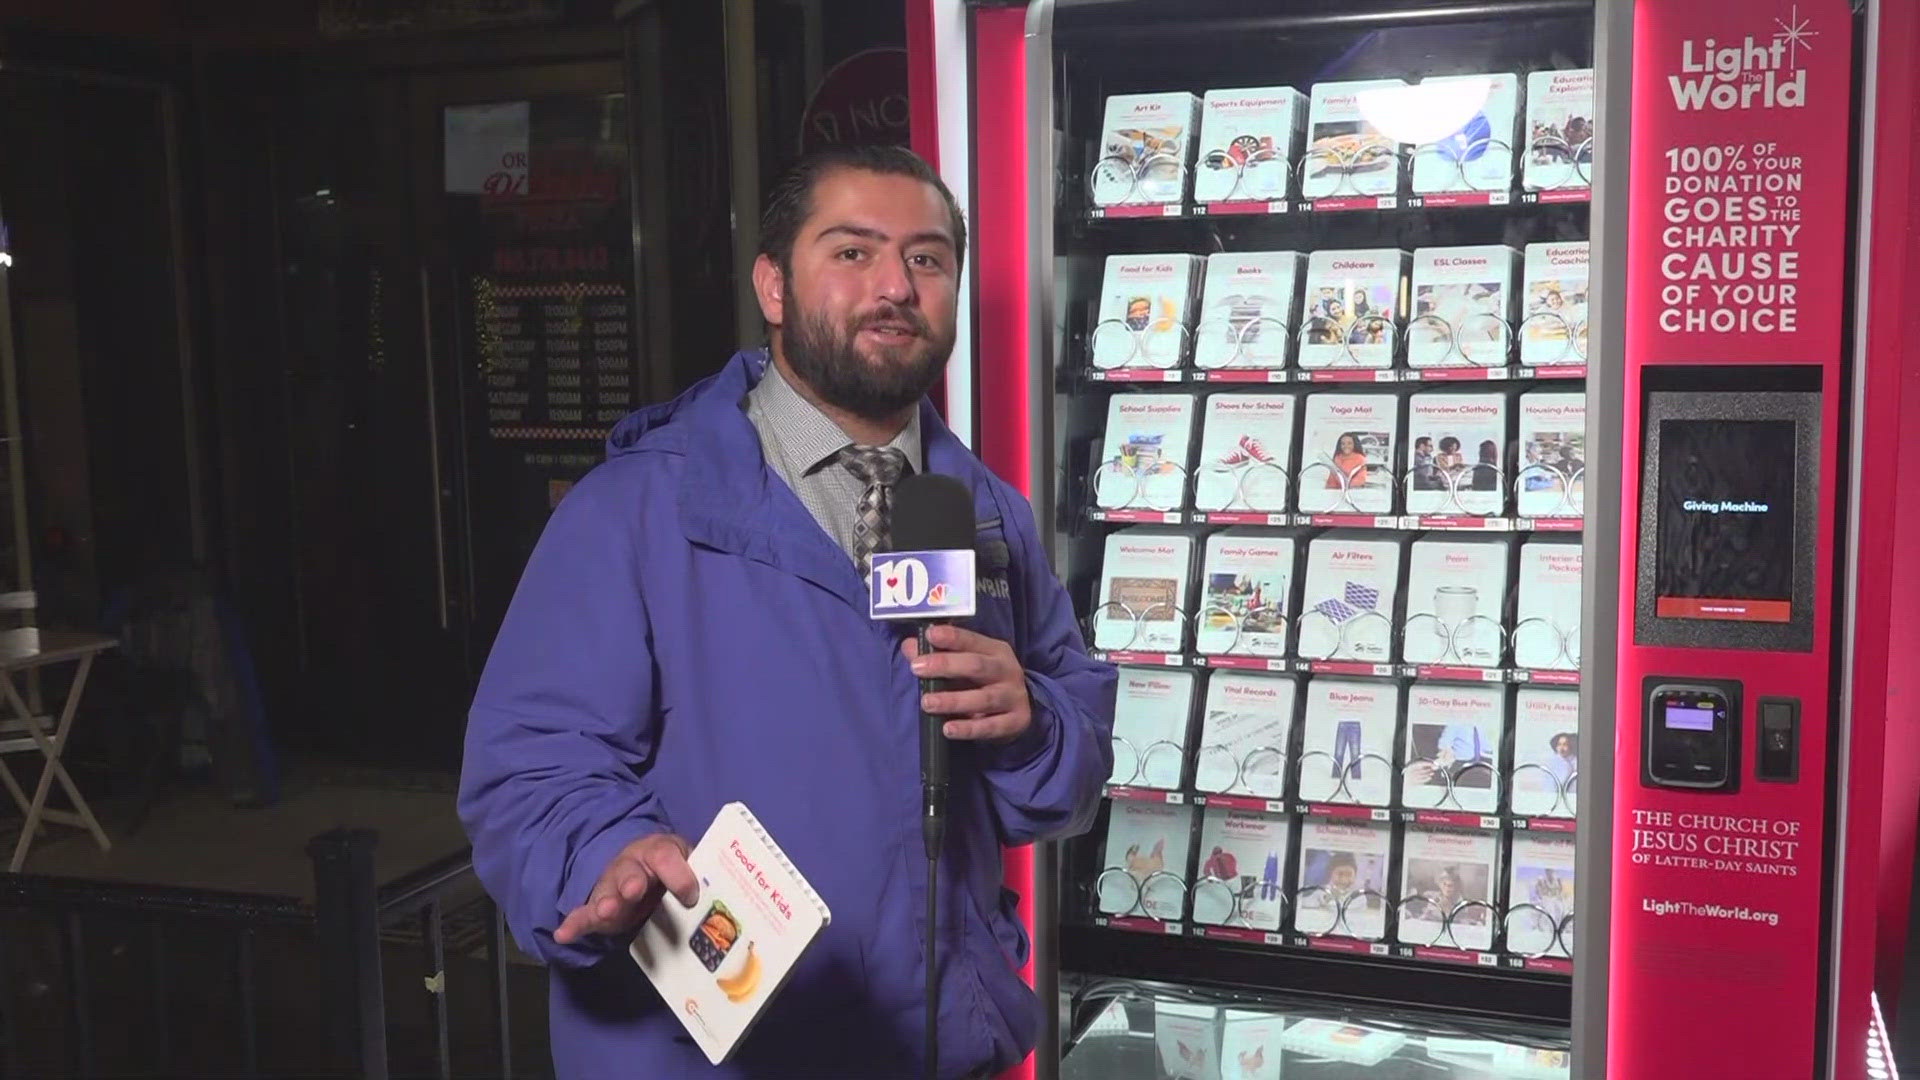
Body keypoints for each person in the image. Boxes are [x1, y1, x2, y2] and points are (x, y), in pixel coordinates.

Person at [457, 144, 1118, 1080]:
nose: (896, 284)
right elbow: (530, 762)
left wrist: (1031, 722)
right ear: (773, 286)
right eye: (852, 252)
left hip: (939, 1049)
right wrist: (609, 852)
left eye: (927, 259)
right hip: (709, 1053)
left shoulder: (986, 514)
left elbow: (1070, 755)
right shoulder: (637, 510)